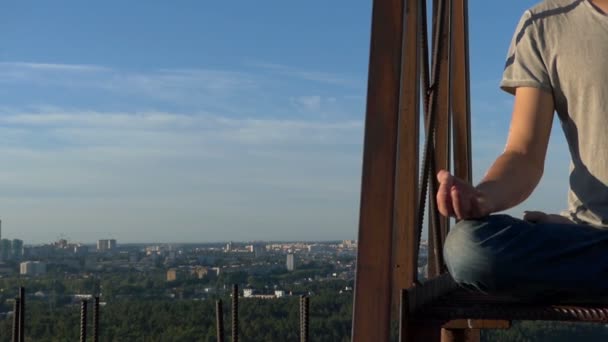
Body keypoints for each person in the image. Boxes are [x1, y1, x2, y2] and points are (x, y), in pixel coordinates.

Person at [440, 0, 608, 302]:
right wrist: (483, 198)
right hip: (595, 239)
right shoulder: (545, 24)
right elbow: (524, 154)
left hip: (593, 255)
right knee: (468, 249)